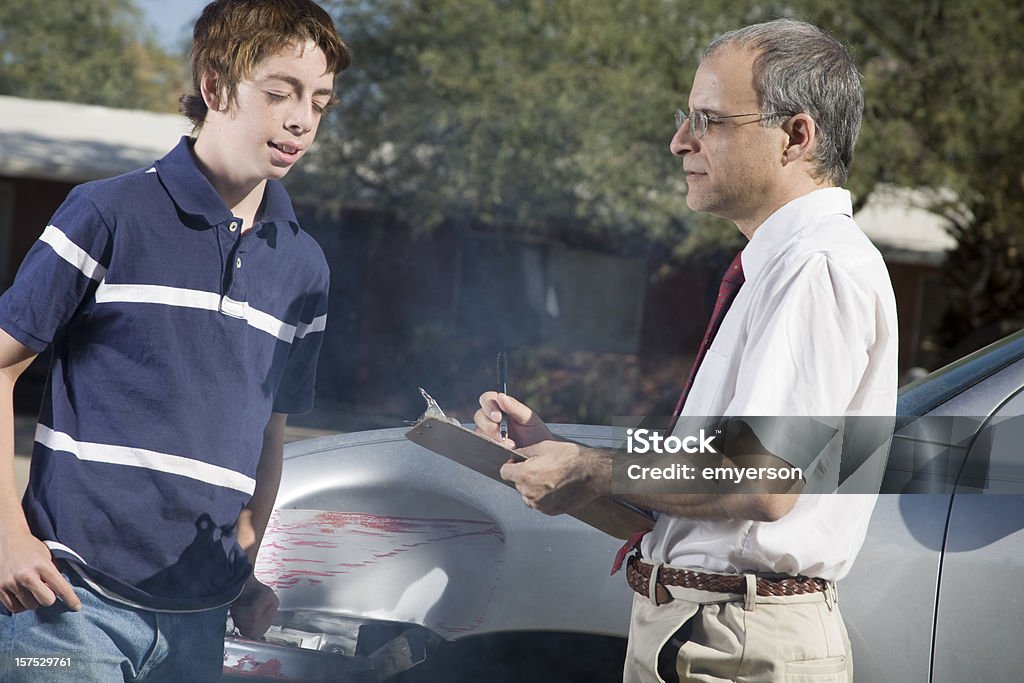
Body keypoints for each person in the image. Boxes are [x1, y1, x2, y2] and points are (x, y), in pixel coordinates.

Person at [475, 19, 897, 683]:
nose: (679, 142)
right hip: (717, 632)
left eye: (709, 119)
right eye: (685, 117)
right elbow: (722, 481)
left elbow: (759, 477)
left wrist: (596, 466)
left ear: (797, 135)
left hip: (735, 641)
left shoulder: (817, 266)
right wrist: (561, 455)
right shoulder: (791, 265)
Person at [0, 1, 349, 680]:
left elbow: (268, 435)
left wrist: (240, 568)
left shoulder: (306, 268)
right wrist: (7, 537)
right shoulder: (107, 212)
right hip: (68, 611)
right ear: (214, 86)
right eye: (279, 93)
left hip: (197, 626)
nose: (302, 119)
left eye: (320, 101)